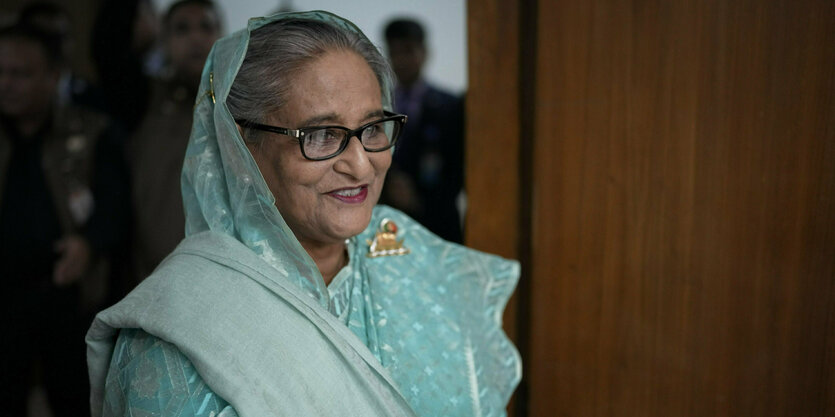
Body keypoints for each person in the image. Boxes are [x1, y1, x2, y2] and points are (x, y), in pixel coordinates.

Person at [87, 11, 520, 417]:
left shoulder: (420, 262)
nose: (362, 164)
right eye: (321, 134)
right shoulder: (178, 326)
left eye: (372, 129)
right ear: (242, 145)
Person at [0, 23, 128, 417]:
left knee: (74, 399)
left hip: (69, 296)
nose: (6, 84)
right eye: (0, 72)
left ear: (54, 76)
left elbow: (116, 206)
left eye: (20, 73)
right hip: (4, 297)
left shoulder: (91, 131)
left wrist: (88, 243)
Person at [127, 0, 222, 285]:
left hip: (223, 274)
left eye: (205, 27)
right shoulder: (141, 100)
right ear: (164, 41)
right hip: (154, 276)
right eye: (182, 29)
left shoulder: (241, 103)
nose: (195, 37)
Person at [381, 17, 465, 243]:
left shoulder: (451, 106)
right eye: (394, 52)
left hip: (436, 227)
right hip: (388, 225)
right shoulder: (378, 106)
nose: (401, 60)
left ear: (424, 52)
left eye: (408, 50)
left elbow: (460, 169)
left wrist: (420, 200)